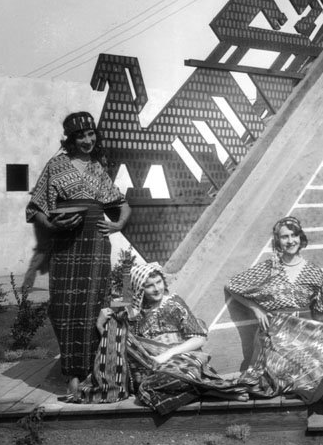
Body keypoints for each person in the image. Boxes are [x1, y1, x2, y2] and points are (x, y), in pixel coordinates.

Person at [26, 111, 130, 397]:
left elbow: (122, 204)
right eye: (80, 136)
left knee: (93, 304)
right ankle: (72, 370)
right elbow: (35, 208)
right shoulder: (56, 165)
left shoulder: (97, 167)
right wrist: (52, 225)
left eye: (90, 134)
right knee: (64, 307)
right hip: (65, 243)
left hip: (96, 243)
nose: (87, 140)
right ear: (70, 139)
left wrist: (118, 224)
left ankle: (87, 373)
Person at [87, 261, 248, 414]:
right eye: (149, 285)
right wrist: (101, 326)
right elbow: (118, 344)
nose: (157, 289)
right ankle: (208, 391)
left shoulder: (173, 304)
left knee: (172, 379)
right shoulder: (135, 313)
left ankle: (212, 390)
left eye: (159, 282)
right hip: (152, 367)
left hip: (182, 360)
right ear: (139, 289)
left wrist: (167, 354)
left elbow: (199, 337)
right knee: (146, 388)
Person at [225, 216, 323, 400]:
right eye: (285, 237)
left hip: (305, 333)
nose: (290, 241)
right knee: (284, 370)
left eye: (294, 235)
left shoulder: (314, 272)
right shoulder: (269, 268)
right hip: (275, 333)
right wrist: (256, 309)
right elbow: (232, 285)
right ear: (277, 241)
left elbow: (320, 314)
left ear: (301, 238)